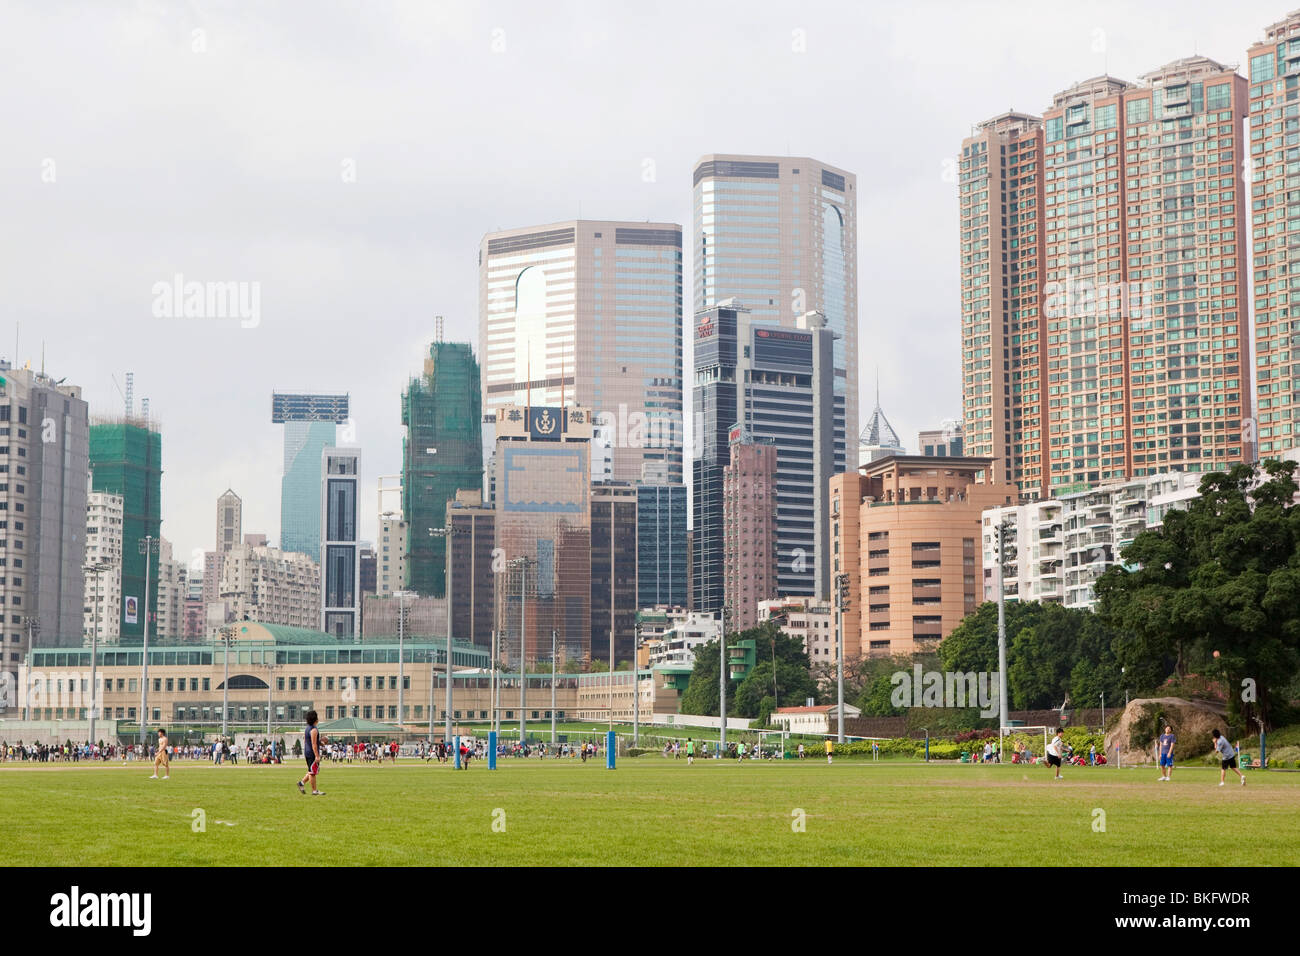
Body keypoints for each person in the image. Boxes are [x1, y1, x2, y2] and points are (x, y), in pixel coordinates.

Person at [299, 711, 325, 795]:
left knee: (311, 770)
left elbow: (310, 741)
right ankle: (314, 791)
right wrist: (317, 756)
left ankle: (301, 783)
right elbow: (313, 744)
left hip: (307, 751)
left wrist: (320, 742)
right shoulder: (314, 730)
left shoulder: (307, 728)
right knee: (312, 773)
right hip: (311, 753)